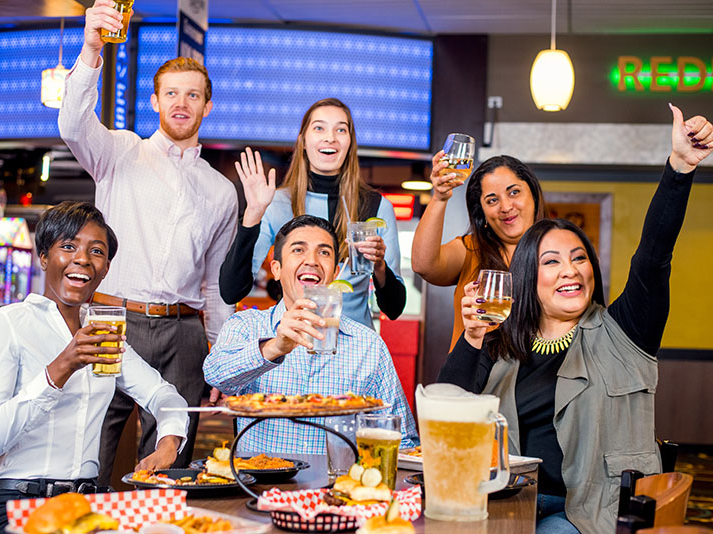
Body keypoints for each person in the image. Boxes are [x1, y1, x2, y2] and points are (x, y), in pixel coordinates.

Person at [437, 105, 712, 534]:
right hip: (510, 498)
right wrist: (472, 337)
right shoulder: (503, 339)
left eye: (579, 258)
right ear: (529, 278)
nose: (570, 270)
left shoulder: (624, 332)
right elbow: (448, 407)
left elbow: (653, 256)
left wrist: (679, 167)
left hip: (587, 511)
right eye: (552, 261)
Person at [58, 0, 237, 479]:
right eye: (171, 94)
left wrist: (218, 360)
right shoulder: (119, 152)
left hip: (184, 334)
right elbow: (72, 124)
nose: (181, 103)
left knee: (170, 466)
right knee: (90, 449)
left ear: (207, 106)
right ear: (155, 101)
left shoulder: (221, 192)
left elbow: (216, 287)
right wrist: (92, 47)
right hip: (113, 320)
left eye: (193, 95)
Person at [0, 202, 189, 534]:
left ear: (105, 269)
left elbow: (164, 395)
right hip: (13, 506)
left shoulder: (105, 335)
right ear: (44, 256)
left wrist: (169, 442)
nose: (83, 258)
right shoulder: (8, 323)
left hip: (87, 507)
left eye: (96, 251)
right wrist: (60, 368)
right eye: (68, 246)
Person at [205, 215, 418, 454]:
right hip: (260, 482)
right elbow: (215, 376)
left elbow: (403, 439)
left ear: (336, 273)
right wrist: (275, 347)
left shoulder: (367, 344)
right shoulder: (246, 325)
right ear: (277, 269)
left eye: (324, 253)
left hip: (337, 485)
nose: (312, 261)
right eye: (298, 250)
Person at [218, 98, 406, 328]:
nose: (330, 137)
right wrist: (252, 215)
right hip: (291, 343)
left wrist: (379, 266)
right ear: (303, 141)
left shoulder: (377, 207)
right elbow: (231, 291)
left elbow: (395, 308)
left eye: (341, 129)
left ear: (350, 143)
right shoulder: (276, 203)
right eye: (319, 128)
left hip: (355, 350)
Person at [411, 153, 546, 350]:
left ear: (533, 195)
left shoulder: (555, 252)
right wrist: (440, 198)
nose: (506, 207)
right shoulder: (471, 250)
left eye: (514, 192)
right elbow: (423, 264)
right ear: (481, 211)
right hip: (470, 377)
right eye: (492, 200)